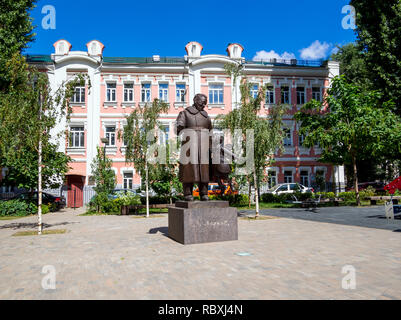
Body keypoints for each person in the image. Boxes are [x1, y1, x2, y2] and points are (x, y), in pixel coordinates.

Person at [176, 94, 212, 201]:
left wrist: (211, 147)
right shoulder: (185, 113)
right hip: (189, 145)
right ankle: (187, 193)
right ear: (195, 100)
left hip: (204, 144)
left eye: (205, 102)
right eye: (202, 101)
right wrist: (180, 125)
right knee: (189, 169)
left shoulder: (206, 116)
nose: (204, 104)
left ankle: (204, 193)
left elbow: (211, 131)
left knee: (204, 170)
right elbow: (179, 126)